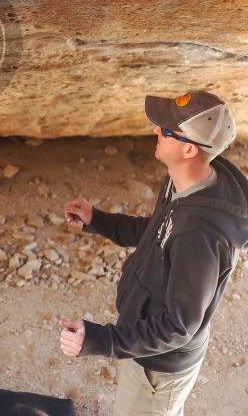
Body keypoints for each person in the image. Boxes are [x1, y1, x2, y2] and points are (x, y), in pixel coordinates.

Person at [60, 91, 247, 415]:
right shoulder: (185, 181)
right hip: (143, 347)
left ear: (189, 149)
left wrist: (99, 339)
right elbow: (160, 233)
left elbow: (179, 326)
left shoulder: (200, 236)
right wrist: (99, 220)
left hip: (158, 369)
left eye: (166, 130)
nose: (156, 131)